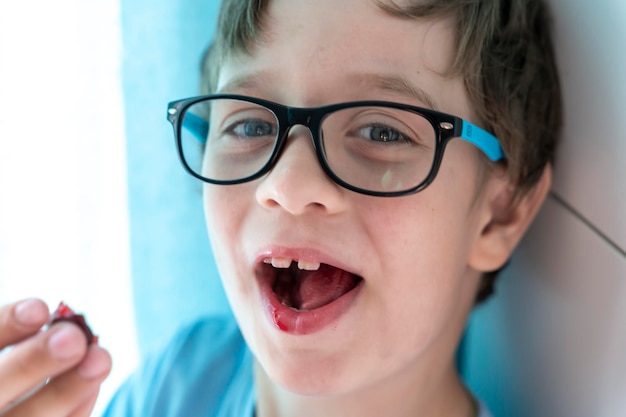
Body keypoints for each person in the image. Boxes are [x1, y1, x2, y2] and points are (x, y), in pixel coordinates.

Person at [0, 0, 561, 416]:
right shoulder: (181, 381)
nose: (286, 184)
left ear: (499, 214)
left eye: (382, 131)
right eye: (247, 125)